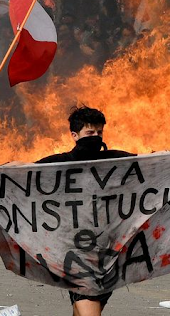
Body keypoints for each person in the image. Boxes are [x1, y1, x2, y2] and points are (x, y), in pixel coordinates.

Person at [35, 106, 135, 316]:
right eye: (90, 133)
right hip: (75, 252)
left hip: (107, 253)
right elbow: (20, 172)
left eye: (100, 133)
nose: (96, 137)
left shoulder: (115, 161)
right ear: (75, 135)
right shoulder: (59, 163)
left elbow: (151, 164)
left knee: (87, 307)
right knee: (89, 305)